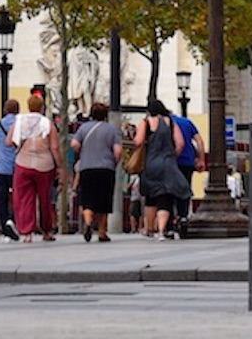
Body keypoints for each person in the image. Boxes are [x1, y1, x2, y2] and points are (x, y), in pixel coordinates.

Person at [134, 99, 190, 239]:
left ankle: (149, 229)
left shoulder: (145, 122)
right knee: (165, 196)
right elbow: (181, 143)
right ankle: (162, 230)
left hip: (150, 163)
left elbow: (139, 141)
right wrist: (172, 155)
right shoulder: (171, 122)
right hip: (168, 163)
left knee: (151, 196)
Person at [9, 94, 61, 241]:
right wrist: (60, 166)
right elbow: (55, 147)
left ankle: (27, 233)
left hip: (23, 164)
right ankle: (46, 231)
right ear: (42, 107)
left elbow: (9, 141)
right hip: (45, 165)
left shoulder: (19, 122)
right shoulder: (48, 123)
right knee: (45, 199)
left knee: (25, 199)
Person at [70, 102, 123, 242]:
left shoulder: (83, 128)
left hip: (87, 167)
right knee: (104, 201)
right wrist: (114, 162)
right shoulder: (111, 130)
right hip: (106, 169)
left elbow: (74, 144)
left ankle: (88, 224)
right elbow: (118, 151)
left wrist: (82, 152)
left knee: (87, 200)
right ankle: (102, 232)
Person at [0, 98, 20, 241]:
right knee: (17, 197)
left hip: (0, 164)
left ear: (5, 110)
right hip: (16, 164)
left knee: (2, 198)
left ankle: (4, 227)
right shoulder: (19, 124)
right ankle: (12, 221)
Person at [171, 106, 202, 237]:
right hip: (188, 162)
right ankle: (183, 216)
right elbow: (199, 141)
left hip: (172, 162)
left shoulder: (166, 122)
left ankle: (171, 220)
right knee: (185, 189)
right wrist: (200, 159)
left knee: (170, 191)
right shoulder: (187, 122)